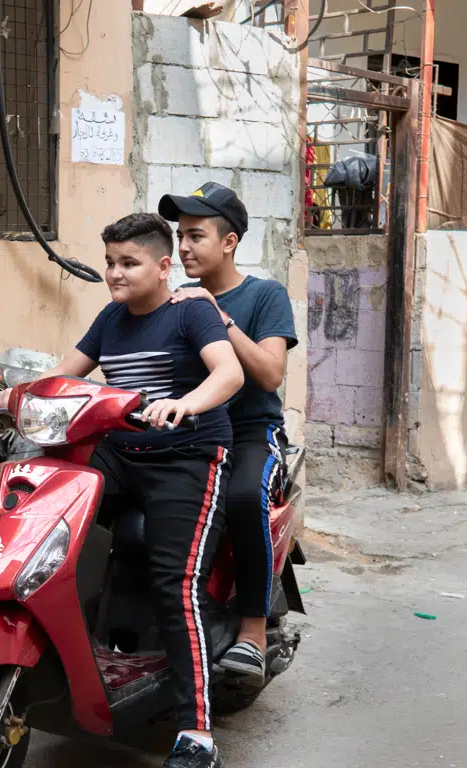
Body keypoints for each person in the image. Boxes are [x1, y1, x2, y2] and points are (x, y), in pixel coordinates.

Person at [3, 213, 244, 768]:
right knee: (39, 517)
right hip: (122, 454)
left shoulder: (191, 309)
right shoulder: (111, 317)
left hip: (188, 456)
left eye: (128, 263)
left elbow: (230, 373)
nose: (114, 272)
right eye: (110, 261)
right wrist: (18, 395)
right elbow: (67, 374)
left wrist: (184, 405)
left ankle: (197, 740)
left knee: (175, 584)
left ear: (163, 266)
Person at [162, 183, 298, 687]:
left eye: (196, 235)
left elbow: (269, 374)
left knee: (243, 497)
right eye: (180, 237)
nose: (184, 247)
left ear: (229, 241)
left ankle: (254, 633)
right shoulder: (172, 299)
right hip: (189, 433)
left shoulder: (264, 295)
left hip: (249, 434)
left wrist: (219, 319)